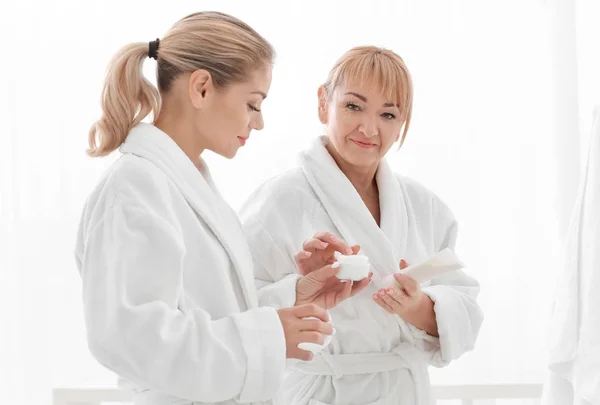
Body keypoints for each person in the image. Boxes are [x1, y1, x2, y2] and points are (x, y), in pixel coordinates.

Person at [74, 12, 370, 405]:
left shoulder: (187, 185)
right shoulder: (135, 188)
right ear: (200, 88)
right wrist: (269, 336)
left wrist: (297, 297)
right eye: (252, 103)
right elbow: (131, 336)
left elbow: (215, 315)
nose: (259, 122)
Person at [239, 46, 484, 405]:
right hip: (320, 391)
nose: (369, 129)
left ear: (402, 124)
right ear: (324, 102)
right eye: (353, 106)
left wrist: (416, 306)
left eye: (388, 114)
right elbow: (234, 313)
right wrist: (302, 289)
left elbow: (466, 314)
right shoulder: (278, 200)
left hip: (404, 391)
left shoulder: (425, 206)